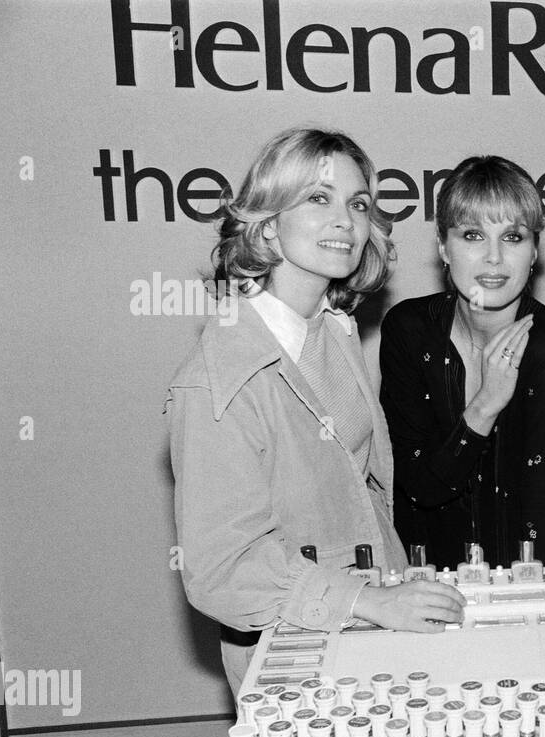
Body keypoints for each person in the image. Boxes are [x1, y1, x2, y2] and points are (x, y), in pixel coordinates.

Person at [167, 128, 465, 695]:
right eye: (318, 198)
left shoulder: (334, 330)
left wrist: (391, 594)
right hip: (292, 652)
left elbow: (361, 490)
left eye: (357, 203)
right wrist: (368, 601)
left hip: (376, 626)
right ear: (267, 222)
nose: (345, 221)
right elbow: (220, 573)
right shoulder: (216, 381)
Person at [380, 156, 545, 569]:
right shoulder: (409, 330)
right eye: (472, 235)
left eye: (512, 237)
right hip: (420, 583)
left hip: (519, 585)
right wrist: (485, 406)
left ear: (534, 252)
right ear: (443, 248)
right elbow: (417, 488)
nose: (493, 258)